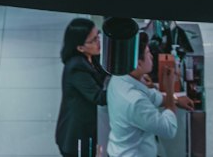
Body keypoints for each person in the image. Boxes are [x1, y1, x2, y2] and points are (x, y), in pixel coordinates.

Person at [106, 31, 192, 157]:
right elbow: (168, 128)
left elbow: (152, 96)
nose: (152, 56)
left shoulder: (121, 77)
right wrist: (169, 88)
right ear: (138, 63)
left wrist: (176, 100)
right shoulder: (134, 101)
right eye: (148, 53)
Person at [55, 17, 109, 157]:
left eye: (98, 35)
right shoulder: (76, 68)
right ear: (80, 47)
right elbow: (99, 97)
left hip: (86, 128)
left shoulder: (92, 56)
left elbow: (104, 73)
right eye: (93, 40)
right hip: (75, 136)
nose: (98, 41)